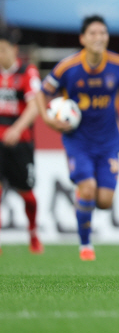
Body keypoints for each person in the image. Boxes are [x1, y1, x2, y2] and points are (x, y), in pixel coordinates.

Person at [35, 15, 119, 261]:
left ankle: (82, 202)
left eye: (102, 32)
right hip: (78, 140)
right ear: (82, 38)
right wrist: (48, 119)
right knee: (88, 188)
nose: (98, 37)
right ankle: (85, 245)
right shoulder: (67, 68)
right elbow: (42, 93)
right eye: (92, 33)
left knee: (104, 201)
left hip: (109, 141)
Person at [0, 28, 42, 255]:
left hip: (21, 142)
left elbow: (35, 105)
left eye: (3, 50)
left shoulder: (28, 71)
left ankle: (33, 233)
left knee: (27, 194)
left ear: (14, 50)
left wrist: (16, 129)